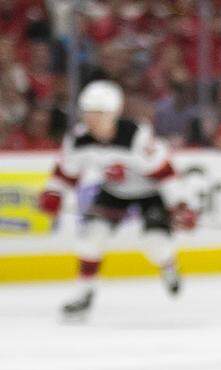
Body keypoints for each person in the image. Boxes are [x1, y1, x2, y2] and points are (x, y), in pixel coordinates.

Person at [36, 80, 198, 321]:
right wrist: (54, 193)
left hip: (150, 193)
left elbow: (165, 173)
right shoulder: (78, 139)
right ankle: (84, 294)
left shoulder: (136, 135)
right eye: (87, 112)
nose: (91, 119)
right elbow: (65, 174)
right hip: (113, 192)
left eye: (99, 113)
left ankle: (168, 266)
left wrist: (181, 206)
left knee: (155, 244)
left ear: (114, 113)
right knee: (91, 238)